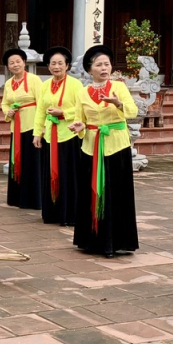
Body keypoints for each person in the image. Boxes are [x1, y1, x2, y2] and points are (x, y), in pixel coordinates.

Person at [68, 45, 139, 258]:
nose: (103, 68)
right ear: (90, 70)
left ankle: (117, 241)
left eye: (106, 64)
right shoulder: (82, 92)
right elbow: (78, 118)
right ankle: (92, 240)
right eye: (98, 65)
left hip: (117, 146)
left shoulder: (119, 87)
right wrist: (79, 127)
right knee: (92, 192)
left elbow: (133, 111)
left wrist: (118, 103)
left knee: (117, 193)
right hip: (91, 146)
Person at [33, 46, 81, 226]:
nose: (56, 66)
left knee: (68, 175)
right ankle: (51, 212)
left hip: (69, 135)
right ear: (48, 66)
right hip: (49, 136)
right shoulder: (45, 85)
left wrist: (64, 113)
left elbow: (82, 108)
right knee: (49, 173)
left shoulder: (75, 84)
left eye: (61, 63)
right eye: (53, 63)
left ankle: (69, 214)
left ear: (67, 65)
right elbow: (40, 111)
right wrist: (37, 132)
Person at [1, 48, 42, 210]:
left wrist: (41, 128)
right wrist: (8, 112)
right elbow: (5, 103)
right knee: (16, 160)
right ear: (8, 66)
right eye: (11, 63)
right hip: (16, 126)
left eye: (18, 61)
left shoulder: (34, 80)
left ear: (24, 63)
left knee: (32, 162)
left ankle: (32, 199)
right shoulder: (8, 84)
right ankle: (16, 197)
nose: (15, 65)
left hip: (32, 125)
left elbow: (42, 103)